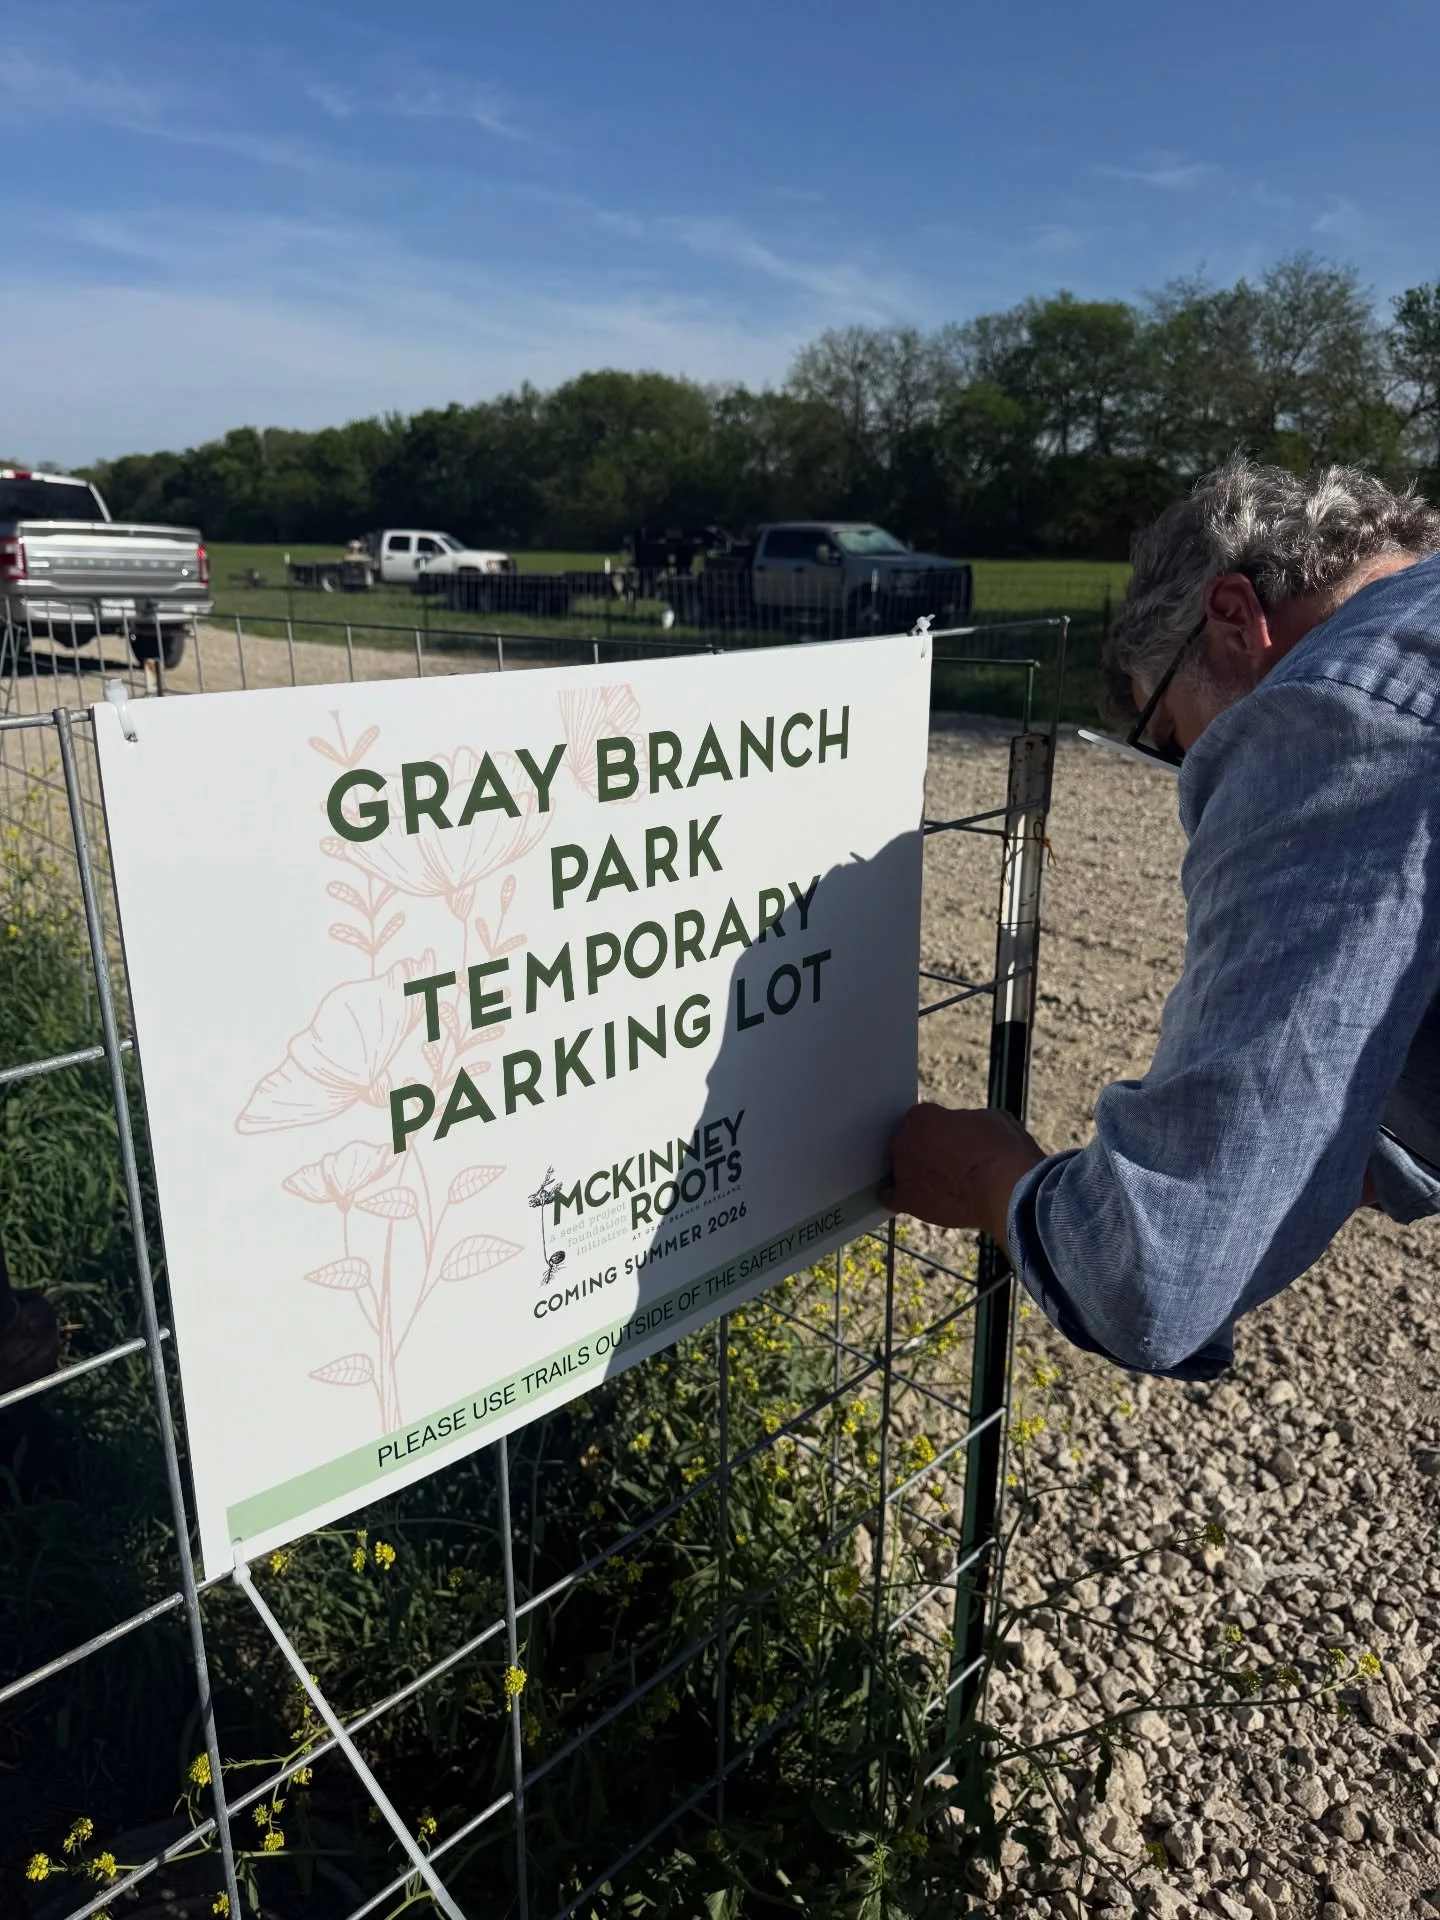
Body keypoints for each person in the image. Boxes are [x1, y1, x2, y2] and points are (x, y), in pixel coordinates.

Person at [883, 457, 1440, 1379]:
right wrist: (1337, 1153)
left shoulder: (1336, 714)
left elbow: (1153, 1276)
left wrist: (990, 1180)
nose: (1194, 776)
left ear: (1232, 619)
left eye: (1176, 740)